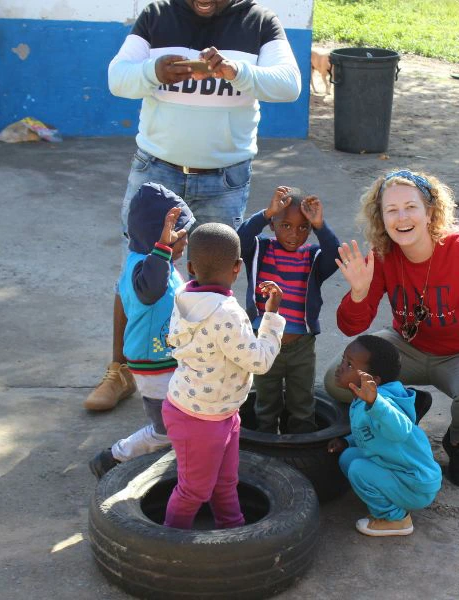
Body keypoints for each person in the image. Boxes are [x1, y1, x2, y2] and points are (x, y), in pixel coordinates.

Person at [84, 0, 302, 411]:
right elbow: (117, 78)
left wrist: (235, 72)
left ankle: (207, 373)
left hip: (225, 179)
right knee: (137, 273)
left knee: (214, 280)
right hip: (156, 172)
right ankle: (121, 370)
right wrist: (154, 71)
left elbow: (288, 84)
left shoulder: (258, 21)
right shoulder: (157, 15)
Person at [325, 169, 459, 487]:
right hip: (406, 344)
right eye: (391, 210)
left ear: (430, 211)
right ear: (381, 217)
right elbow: (350, 326)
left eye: (411, 207)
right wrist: (358, 293)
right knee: (337, 380)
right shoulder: (383, 254)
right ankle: (405, 406)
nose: (402, 217)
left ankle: (458, 441)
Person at [162, 223, 284, 529]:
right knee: (194, 490)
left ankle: (234, 530)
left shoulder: (183, 296)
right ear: (237, 268)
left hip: (215, 410)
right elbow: (259, 361)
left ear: (191, 267)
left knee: (225, 482)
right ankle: (168, 543)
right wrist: (271, 317)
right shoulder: (227, 313)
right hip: (199, 420)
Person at [88, 183, 194, 479]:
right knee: (165, 430)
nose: (185, 240)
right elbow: (151, 290)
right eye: (179, 234)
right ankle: (113, 457)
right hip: (153, 366)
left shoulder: (156, 261)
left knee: (179, 419)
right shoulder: (145, 268)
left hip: (164, 360)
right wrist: (163, 248)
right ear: (157, 237)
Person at [237, 186, 340, 434]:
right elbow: (238, 242)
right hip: (263, 342)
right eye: (286, 225)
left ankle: (302, 446)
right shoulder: (260, 250)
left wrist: (320, 225)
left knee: (302, 403)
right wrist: (265, 213)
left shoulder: (312, 257)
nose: (295, 234)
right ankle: (266, 441)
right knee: (266, 402)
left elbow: (336, 254)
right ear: (272, 224)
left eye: (304, 227)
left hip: (301, 346)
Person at [327, 335, 442, 537]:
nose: (341, 367)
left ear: (373, 381)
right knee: (348, 456)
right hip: (399, 472)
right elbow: (370, 434)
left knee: (358, 469)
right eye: (344, 359)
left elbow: (400, 430)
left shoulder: (383, 403)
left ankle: (396, 519)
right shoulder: (367, 401)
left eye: (350, 365)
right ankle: (383, 498)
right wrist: (346, 442)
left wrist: (376, 402)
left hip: (415, 484)